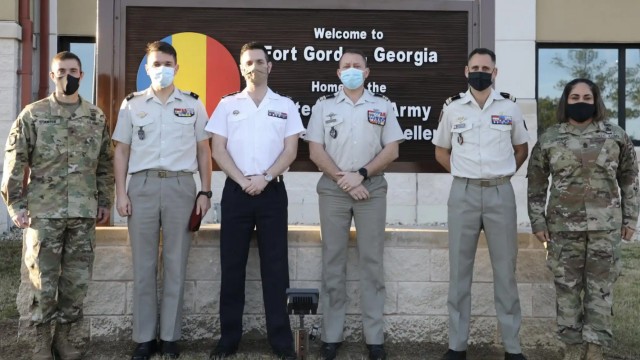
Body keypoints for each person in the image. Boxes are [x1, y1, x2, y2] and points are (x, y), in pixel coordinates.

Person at [1, 51, 114, 360]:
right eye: (61, 71)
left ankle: (65, 340)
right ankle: (39, 343)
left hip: (82, 213)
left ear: (82, 73)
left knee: (76, 282)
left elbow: (105, 163)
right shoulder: (33, 114)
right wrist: (15, 205)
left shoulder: (95, 116)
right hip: (43, 213)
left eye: (73, 70)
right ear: (52, 76)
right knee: (42, 281)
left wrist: (105, 201)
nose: (67, 76)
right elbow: (15, 162)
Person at [112, 41, 212, 360]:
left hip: (181, 187)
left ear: (177, 67)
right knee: (143, 266)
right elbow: (122, 151)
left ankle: (170, 336)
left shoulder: (194, 104)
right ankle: (144, 338)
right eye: (156, 64)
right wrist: (121, 192)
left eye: (168, 63)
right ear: (147, 67)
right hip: (140, 186)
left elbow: (204, 152)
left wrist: (205, 191)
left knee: (175, 264)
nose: (162, 69)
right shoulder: (131, 104)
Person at [205, 41, 304, 360]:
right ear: (240, 67)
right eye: (248, 62)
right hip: (236, 192)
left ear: (270, 66)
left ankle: (281, 340)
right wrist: (243, 180)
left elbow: (291, 151)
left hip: (272, 191)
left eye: (260, 61)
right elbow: (218, 150)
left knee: (276, 269)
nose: (254, 67)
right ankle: (228, 339)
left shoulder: (285, 105)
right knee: (232, 267)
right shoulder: (227, 105)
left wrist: (263, 177)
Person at [527, 78, 639, 360]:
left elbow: (629, 179)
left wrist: (631, 219)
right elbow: (537, 184)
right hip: (563, 229)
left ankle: (595, 348)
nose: (580, 102)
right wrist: (538, 222)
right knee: (567, 287)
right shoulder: (550, 139)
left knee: (600, 289)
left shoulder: (616, 136)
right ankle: (572, 348)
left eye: (586, 97)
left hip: (606, 228)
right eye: (574, 97)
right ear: (566, 101)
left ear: (596, 101)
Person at [306, 49, 404, 360]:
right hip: (334, 191)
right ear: (338, 73)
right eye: (346, 66)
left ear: (367, 72)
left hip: (371, 188)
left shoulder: (382, 106)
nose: (351, 70)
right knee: (333, 262)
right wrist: (344, 179)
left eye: (356, 66)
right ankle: (331, 336)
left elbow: (392, 150)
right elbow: (314, 149)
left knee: (372, 263)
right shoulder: (324, 107)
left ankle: (374, 338)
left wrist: (360, 175)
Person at [432, 48, 529, 360]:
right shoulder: (453, 108)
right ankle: (457, 346)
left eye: (485, 68)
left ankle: (512, 348)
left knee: (505, 273)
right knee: (459, 272)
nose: (480, 72)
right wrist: (466, 174)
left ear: (495, 73)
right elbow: (441, 151)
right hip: (463, 194)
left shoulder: (510, 108)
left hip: (501, 194)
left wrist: (498, 175)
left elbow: (521, 148)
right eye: (475, 67)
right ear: (466, 71)